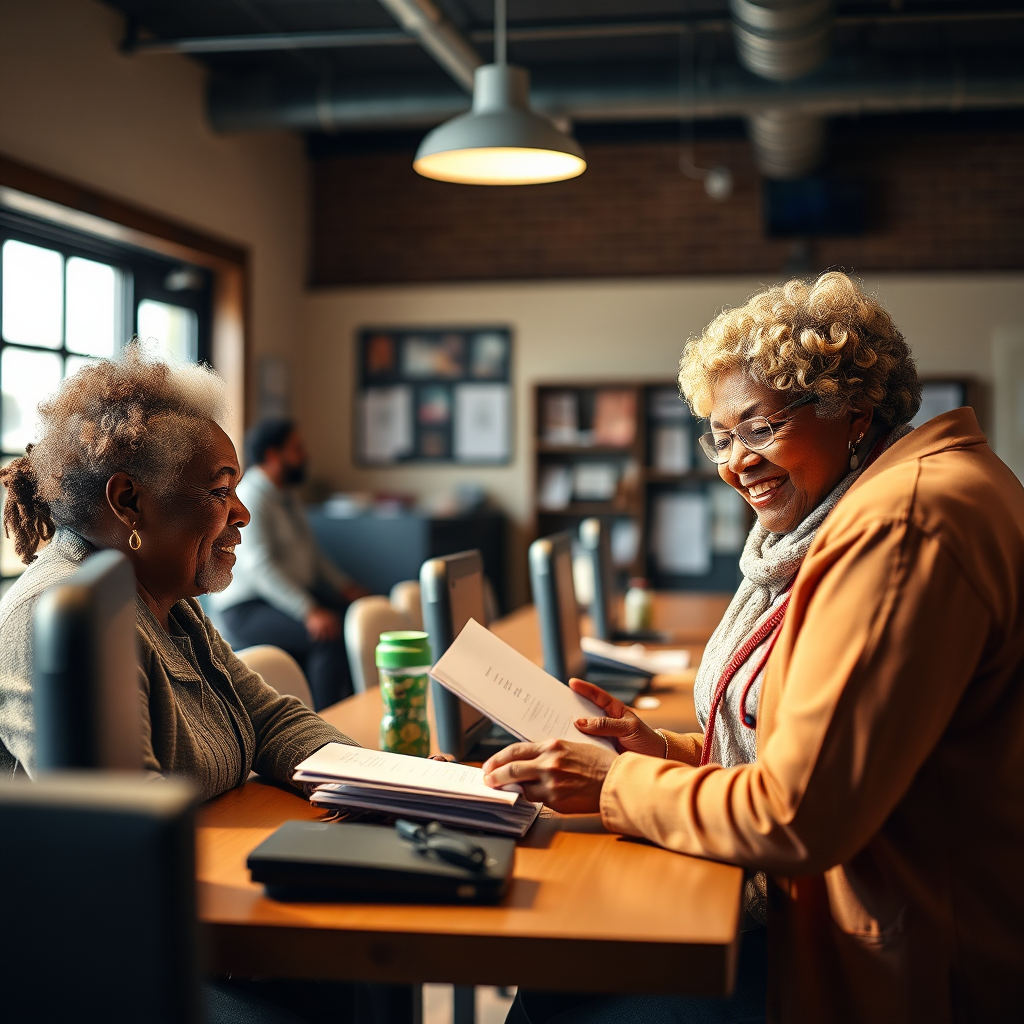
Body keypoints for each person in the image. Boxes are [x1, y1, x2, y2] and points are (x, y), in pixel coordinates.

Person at [484, 272, 1024, 1024]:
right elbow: (814, 750)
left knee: (557, 991)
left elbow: (796, 813)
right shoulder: (866, 511)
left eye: (761, 428)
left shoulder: (900, 526)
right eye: (722, 436)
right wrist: (666, 753)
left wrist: (613, 784)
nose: (735, 462)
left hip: (889, 956)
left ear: (853, 410)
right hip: (844, 906)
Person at [0, 346, 416, 1024]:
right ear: (128, 500)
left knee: (371, 978)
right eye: (220, 491)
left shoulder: (167, 599)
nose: (243, 515)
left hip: (202, 910)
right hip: (115, 962)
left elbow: (273, 721)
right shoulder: (59, 623)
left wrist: (402, 787)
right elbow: (123, 848)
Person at [211, 418, 368, 710]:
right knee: (326, 635)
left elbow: (313, 554)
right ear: (273, 455)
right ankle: (327, 723)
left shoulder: (287, 494)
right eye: (297, 448)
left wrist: (344, 586)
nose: (305, 455)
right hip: (248, 607)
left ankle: (356, 708)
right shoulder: (252, 496)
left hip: (284, 598)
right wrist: (308, 610)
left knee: (352, 616)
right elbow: (260, 567)